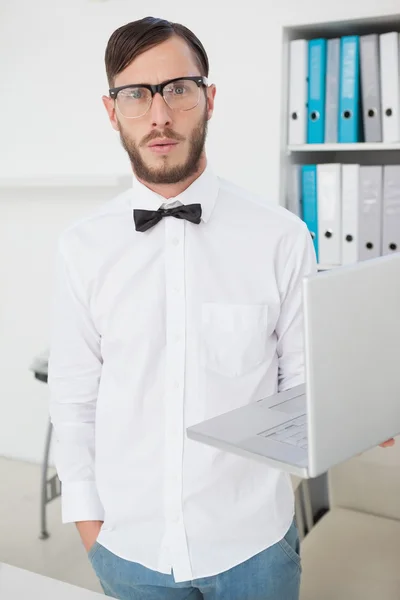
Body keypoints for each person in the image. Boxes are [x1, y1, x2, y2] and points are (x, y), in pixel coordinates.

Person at [47, 16, 394, 600]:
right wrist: (92, 531)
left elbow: (306, 386)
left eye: (177, 89)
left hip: (255, 547)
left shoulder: (283, 237)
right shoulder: (80, 248)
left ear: (208, 99)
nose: (159, 115)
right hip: (129, 551)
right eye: (136, 95)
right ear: (113, 111)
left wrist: (363, 409)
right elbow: (74, 401)